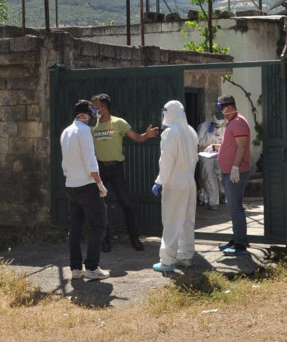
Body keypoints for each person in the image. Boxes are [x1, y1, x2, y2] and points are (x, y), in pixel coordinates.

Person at [90, 93, 159, 252]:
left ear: (104, 108)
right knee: (100, 205)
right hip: (99, 169)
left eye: (96, 106)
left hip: (116, 168)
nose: (93, 109)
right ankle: (105, 240)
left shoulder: (119, 122)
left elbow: (137, 138)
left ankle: (134, 238)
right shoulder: (92, 126)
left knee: (126, 204)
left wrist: (147, 135)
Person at [60, 100, 110, 281]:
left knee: (75, 228)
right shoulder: (84, 131)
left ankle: (75, 268)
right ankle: (92, 267)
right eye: (90, 112)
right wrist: (99, 184)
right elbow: (90, 161)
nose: (93, 114)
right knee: (99, 225)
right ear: (81, 114)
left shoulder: (66, 132)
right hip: (87, 186)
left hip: (71, 185)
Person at [151, 100, 199, 272]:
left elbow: (166, 159)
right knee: (187, 220)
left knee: (171, 220)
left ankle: (167, 260)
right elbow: (195, 157)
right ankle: (185, 256)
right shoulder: (191, 131)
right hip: (189, 181)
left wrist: (159, 180)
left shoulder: (171, 132)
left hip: (174, 182)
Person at [215, 95, 252, 256]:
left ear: (229, 108)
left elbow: (242, 146)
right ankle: (236, 238)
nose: (220, 112)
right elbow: (231, 145)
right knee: (232, 207)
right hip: (229, 172)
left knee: (236, 208)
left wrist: (235, 167)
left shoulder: (238, 122)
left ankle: (240, 244)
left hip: (235, 173)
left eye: (221, 108)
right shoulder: (232, 122)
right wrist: (216, 148)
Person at [197, 112, 225, 210]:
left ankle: (222, 196)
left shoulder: (223, 128)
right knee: (209, 176)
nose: (218, 127)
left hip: (217, 154)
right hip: (205, 154)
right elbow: (200, 142)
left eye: (219, 126)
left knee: (221, 174)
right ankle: (213, 202)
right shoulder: (204, 126)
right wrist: (210, 135)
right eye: (216, 125)